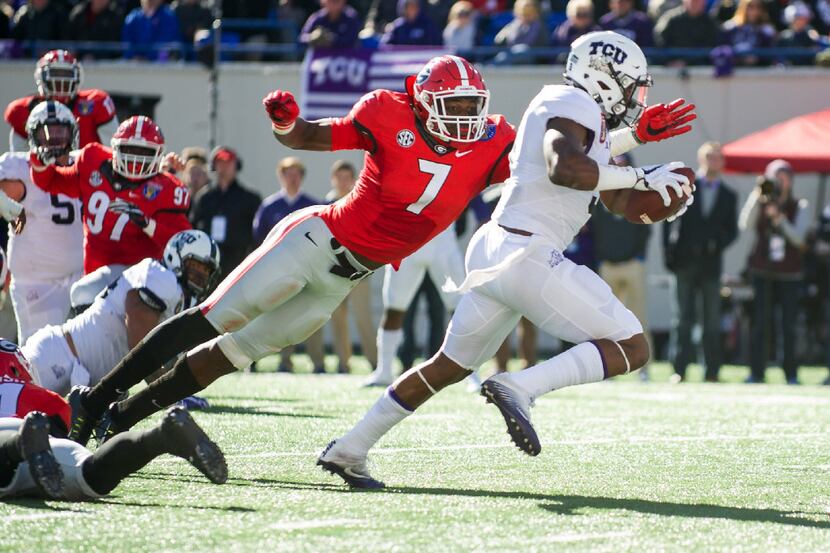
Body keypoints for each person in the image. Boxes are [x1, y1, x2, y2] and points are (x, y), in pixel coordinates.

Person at [66, 54, 516, 448]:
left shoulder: (492, 143)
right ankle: (98, 398)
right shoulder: (387, 112)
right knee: (217, 315)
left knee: (234, 354)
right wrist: (286, 123)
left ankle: (124, 418)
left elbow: (538, 171)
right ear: (420, 102)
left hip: (344, 280)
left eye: (470, 105)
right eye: (451, 105)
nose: (462, 116)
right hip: (316, 243)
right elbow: (309, 137)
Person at [319, 31, 698, 488]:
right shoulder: (572, 103)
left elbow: (610, 193)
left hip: (500, 247)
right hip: (528, 253)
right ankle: (521, 386)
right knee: (633, 346)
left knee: (447, 366)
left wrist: (643, 168)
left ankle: (349, 448)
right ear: (604, 78)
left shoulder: (573, 111)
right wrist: (642, 175)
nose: (634, 96)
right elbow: (567, 168)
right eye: (630, 83)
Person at [0, 341, 226, 500]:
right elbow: (58, 437)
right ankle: (160, 436)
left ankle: (18, 445)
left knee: (88, 479)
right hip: (39, 437)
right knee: (90, 474)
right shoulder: (43, 398)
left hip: (13, 436)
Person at [23, 230, 220, 396]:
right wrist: (169, 391)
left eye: (207, 270)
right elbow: (140, 344)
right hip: (56, 358)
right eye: (195, 265)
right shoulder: (162, 278)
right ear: (176, 257)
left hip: (77, 369)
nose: (201, 275)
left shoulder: (174, 294)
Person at [29, 115, 192, 276]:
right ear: (115, 147)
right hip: (97, 274)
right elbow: (51, 182)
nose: (135, 159)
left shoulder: (168, 188)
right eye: (129, 149)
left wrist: (148, 225)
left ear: (158, 154)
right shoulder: (92, 160)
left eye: (143, 151)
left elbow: (183, 243)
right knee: (81, 293)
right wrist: (40, 162)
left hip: (143, 280)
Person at [0, 101, 83, 343]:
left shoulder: (83, 162)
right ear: (32, 136)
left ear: (73, 133)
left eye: (61, 132)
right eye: (47, 133)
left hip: (80, 276)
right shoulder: (18, 167)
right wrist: (11, 206)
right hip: (36, 283)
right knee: (40, 356)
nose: (55, 140)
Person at [663, 142, 737, 382]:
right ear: (701, 159)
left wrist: (717, 244)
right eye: (709, 157)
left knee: (711, 321)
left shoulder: (729, 196)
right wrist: (669, 256)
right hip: (684, 263)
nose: (714, 161)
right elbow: (668, 220)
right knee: (682, 319)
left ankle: (712, 370)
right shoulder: (686, 188)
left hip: (710, 265)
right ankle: (679, 369)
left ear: (722, 163)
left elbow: (732, 231)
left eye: (718, 158)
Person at [363, 223, 465, 387]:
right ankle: (384, 371)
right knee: (394, 308)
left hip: (442, 241)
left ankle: (470, 374)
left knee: (460, 307)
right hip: (407, 239)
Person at [739, 159, 809, 384]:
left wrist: (779, 219)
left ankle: (791, 373)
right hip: (763, 272)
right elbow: (745, 225)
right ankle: (757, 372)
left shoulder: (800, 205)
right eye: (774, 176)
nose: (779, 180)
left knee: (788, 325)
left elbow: (799, 238)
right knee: (760, 324)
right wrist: (756, 196)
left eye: (784, 176)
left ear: (791, 180)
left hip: (790, 274)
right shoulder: (761, 201)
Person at [252, 157, 323, 373]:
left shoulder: (312, 204)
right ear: (280, 176)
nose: (292, 179)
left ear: (302, 177)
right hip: (277, 269)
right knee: (270, 313)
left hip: (307, 268)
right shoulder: (270, 206)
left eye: (296, 174)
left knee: (310, 315)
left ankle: (317, 362)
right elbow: (259, 238)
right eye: (288, 174)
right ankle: (274, 360)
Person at [4, 49, 119, 152]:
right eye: (55, 74)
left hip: (86, 172)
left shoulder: (96, 102)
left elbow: (112, 153)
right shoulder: (24, 110)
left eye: (66, 74)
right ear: (41, 78)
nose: (61, 81)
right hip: (43, 173)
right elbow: (20, 161)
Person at [324, 160, 377, 373]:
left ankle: (375, 362)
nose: (343, 182)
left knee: (364, 318)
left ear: (354, 180)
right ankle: (342, 363)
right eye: (339, 177)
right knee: (338, 318)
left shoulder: (362, 202)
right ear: (333, 179)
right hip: (335, 270)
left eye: (347, 177)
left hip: (359, 269)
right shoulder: (326, 203)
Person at [190, 146, 261, 278]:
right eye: (220, 163)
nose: (224, 167)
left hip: (239, 262)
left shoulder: (249, 198)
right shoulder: (204, 197)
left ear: (236, 166)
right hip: (208, 262)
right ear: (214, 166)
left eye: (228, 163)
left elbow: (258, 233)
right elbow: (193, 226)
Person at [655, 0, 720, 65]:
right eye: (694, 1)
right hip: (670, 66)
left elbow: (710, 46)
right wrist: (669, 61)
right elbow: (659, 41)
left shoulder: (709, 22)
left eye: (700, 1)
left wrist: (686, 61)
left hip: (699, 65)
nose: (697, 4)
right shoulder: (670, 18)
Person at [720, 0, 776, 66]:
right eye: (751, 7)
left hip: (757, 70)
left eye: (758, 7)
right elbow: (723, 49)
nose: (755, 11)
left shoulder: (766, 30)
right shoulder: (730, 28)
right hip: (733, 69)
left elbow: (769, 55)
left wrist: (757, 58)